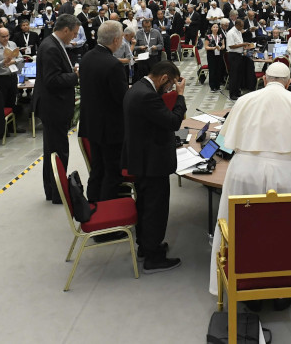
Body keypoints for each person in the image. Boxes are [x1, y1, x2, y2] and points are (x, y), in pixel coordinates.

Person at [208, 62, 291, 299]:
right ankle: (285, 287)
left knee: (238, 227)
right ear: (289, 82)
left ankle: (238, 283)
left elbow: (225, 141)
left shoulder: (244, 100)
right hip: (284, 172)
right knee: (287, 229)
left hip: (243, 171)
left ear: (263, 79)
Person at [123, 61, 186, 273]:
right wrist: (180, 96)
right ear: (164, 78)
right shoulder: (147, 95)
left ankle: (147, 246)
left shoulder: (138, 87)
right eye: (169, 86)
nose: (169, 90)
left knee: (145, 204)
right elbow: (173, 122)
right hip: (152, 161)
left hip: (141, 158)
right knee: (155, 208)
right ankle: (153, 257)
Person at [78, 21, 129, 202]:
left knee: (97, 169)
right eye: (122, 37)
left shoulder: (86, 58)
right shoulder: (113, 65)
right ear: (116, 40)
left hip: (91, 124)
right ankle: (108, 219)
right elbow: (122, 99)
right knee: (112, 173)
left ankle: (92, 204)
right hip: (111, 129)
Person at [34, 14, 81, 205]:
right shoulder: (51, 47)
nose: (74, 37)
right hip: (53, 106)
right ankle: (56, 191)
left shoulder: (53, 44)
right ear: (66, 30)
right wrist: (75, 76)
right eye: (74, 33)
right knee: (57, 151)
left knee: (54, 150)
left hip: (55, 105)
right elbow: (52, 80)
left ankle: (53, 190)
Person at [0, 27, 24, 109]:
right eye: (3, 36)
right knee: (2, 102)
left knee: (12, 101)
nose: (6, 38)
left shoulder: (12, 44)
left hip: (13, 76)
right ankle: (2, 121)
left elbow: (21, 58)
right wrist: (4, 62)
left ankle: (11, 120)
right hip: (1, 78)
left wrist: (13, 61)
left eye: (7, 36)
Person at [225, 19, 252, 101]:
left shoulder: (239, 32)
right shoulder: (231, 33)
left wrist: (244, 47)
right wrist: (243, 44)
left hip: (239, 55)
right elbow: (231, 46)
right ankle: (232, 94)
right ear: (237, 25)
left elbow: (239, 43)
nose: (242, 28)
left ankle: (237, 91)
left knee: (239, 75)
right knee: (234, 75)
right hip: (233, 55)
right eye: (241, 26)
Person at [204, 23, 226, 92]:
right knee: (212, 70)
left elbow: (223, 45)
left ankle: (218, 85)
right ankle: (212, 86)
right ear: (211, 28)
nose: (216, 28)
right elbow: (206, 47)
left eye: (217, 27)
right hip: (211, 54)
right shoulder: (208, 36)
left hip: (219, 54)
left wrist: (221, 47)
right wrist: (213, 48)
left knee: (219, 70)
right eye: (214, 27)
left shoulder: (220, 36)